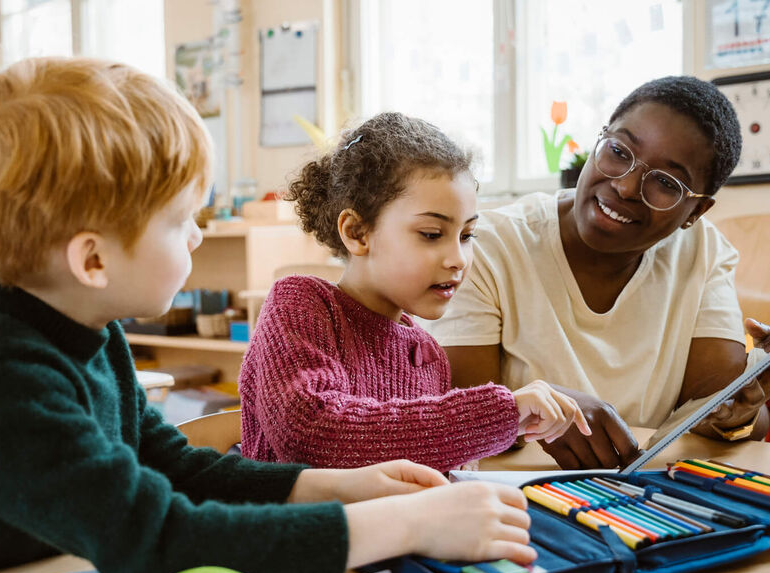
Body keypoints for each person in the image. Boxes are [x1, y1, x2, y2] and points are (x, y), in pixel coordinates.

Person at [0, 59, 538, 573]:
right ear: (92, 259)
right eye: (181, 221)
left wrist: (331, 488)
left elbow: (171, 466)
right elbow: (157, 537)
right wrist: (405, 525)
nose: (199, 235)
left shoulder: (81, 322)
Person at [432, 75, 770, 470]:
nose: (627, 186)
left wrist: (736, 414)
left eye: (666, 183)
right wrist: (547, 410)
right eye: (619, 151)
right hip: (513, 500)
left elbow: (713, 412)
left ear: (696, 212)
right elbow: (459, 419)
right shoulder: (487, 246)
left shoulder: (703, 252)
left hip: (639, 500)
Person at [239, 112, 588, 473]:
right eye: (431, 234)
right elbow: (313, 435)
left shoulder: (427, 355)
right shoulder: (300, 304)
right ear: (358, 232)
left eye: (467, 236)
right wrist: (497, 414)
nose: (458, 259)